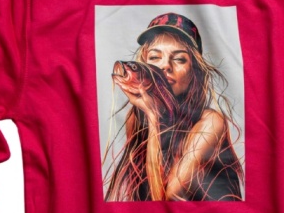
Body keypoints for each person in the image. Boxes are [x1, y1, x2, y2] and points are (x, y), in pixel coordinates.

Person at [104, 12, 245, 201]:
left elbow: (168, 200)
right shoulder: (136, 118)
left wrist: (154, 117)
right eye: (155, 57)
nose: (165, 66)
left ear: (194, 70)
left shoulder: (210, 122)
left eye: (179, 59)